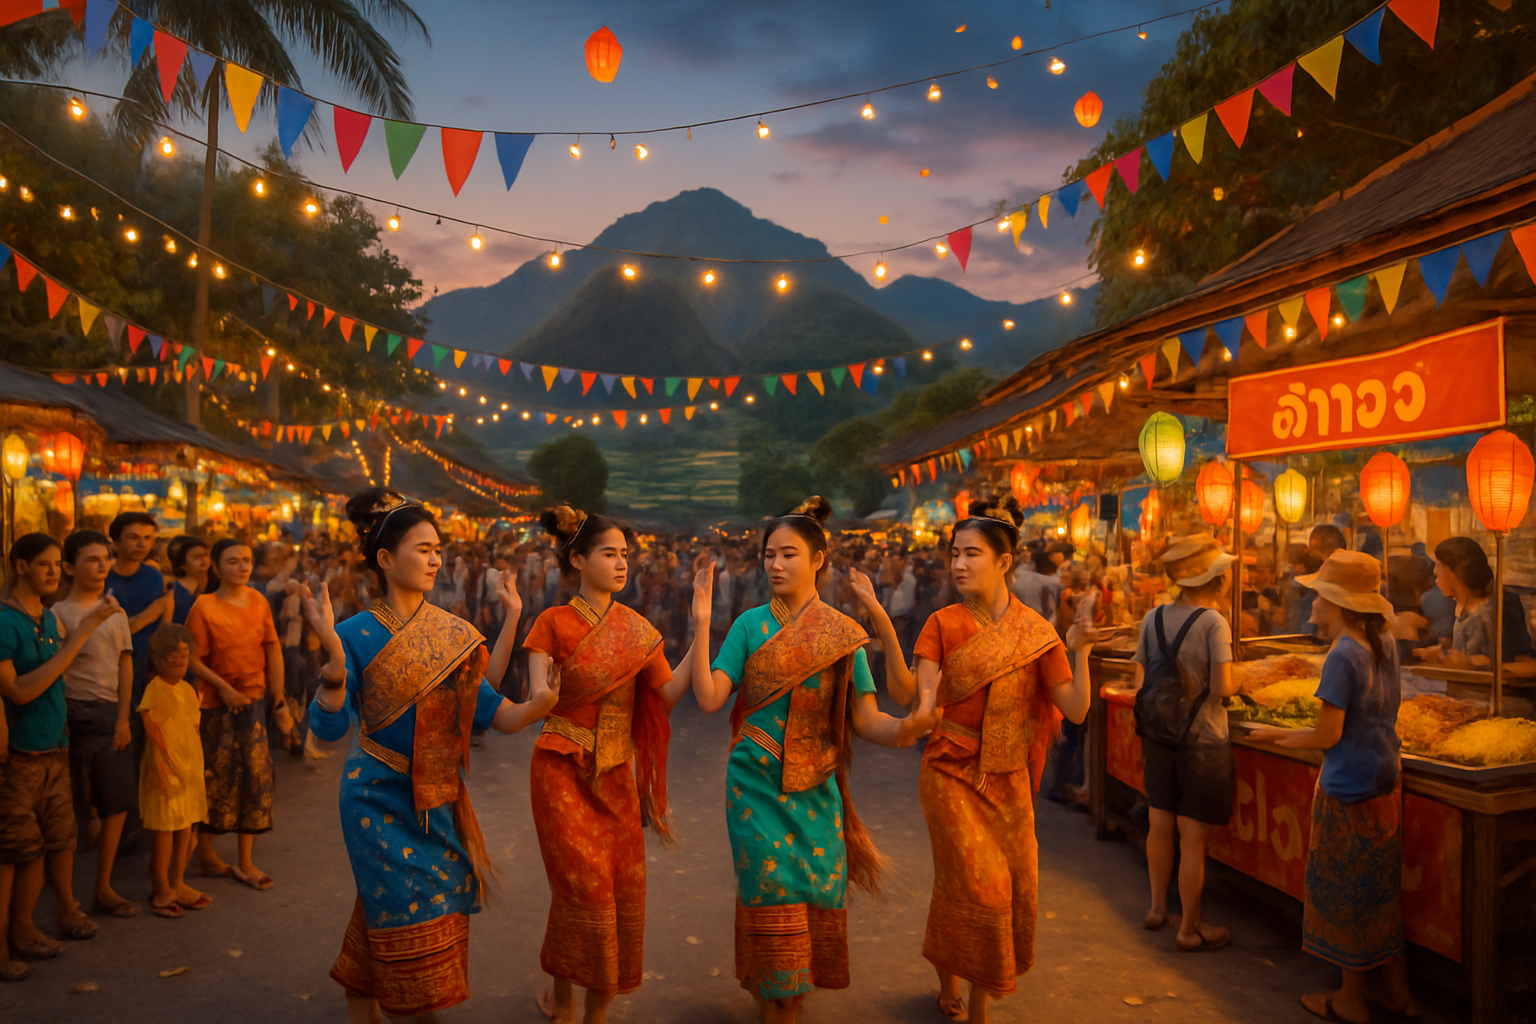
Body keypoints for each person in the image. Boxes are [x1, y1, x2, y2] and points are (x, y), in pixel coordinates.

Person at [686, 496, 939, 1024]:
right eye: (768, 555)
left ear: (818, 558)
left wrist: (909, 726)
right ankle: (778, 999)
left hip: (818, 791)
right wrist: (703, 621)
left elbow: (868, 722)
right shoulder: (748, 627)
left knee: (806, 906)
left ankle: (779, 996)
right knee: (772, 897)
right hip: (753, 790)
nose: (776, 565)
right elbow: (710, 699)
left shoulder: (843, 637)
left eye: (789, 555)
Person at [303, 490, 551, 1023]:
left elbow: (496, 715)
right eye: (423, 548)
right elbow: (325, 728)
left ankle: (362, 1001)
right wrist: (332, 665)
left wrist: (540, 704)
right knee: (405, 909)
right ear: (386, 559)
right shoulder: (351, 635)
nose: (436, 559)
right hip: (374, 800)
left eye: (439, 549)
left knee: (402, 907)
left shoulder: (454, 634)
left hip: (438, 800)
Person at [871, 499, 1091, 1023]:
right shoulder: (942, 624)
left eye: (972, 554)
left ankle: (953, 980)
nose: (960, 565)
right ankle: (978, 1009)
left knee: (985, 885)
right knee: (983, 885)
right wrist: (882, 625)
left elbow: (1076, 709)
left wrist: (1079, 649)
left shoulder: (1038, 634)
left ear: (1005, 561)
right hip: (948, 771)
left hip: (1009, 779)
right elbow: (918, 698)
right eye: (955, 555)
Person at [524, 507, 702, 1024]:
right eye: (609, 553)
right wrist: (544, 696)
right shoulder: (551, 623)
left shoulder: (638, 630)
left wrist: (702, 627)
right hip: (560, 769)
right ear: (577, 559)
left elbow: (667, 693)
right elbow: (538, 694)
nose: (622, 563)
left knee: (621, 890)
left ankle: (594, 1010)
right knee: (582, 887)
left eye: (625, 554)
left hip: (617, 776)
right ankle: (563, 1000)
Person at [1249, 552, 1419, 1024]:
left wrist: (1273, 735)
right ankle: (1400, 995)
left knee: (1344, 894)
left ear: (1338, 603)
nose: (1313, 607)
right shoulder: (1383, 640)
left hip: (1347, 787)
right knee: (1380, 892)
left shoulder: (1343, 654)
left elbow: (1327, 736)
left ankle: (1349, 999)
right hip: (1387, 778)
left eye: (1319, 598)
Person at [0, 534, 121, 975]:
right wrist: (84, 631)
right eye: (45, 565)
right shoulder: (7, 622)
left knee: (55, 841)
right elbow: (19, 689)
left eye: (56, 564)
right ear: (20, 566)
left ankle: (26, 928)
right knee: (15, 851)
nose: (53, 572)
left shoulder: (47, 621)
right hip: (20, 753)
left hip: (56, 745)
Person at [1132, 534, 1239, 951]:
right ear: (1216, 580)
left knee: (1160, 825)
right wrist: (1246, 677)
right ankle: (1189, 927)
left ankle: (1158, 908)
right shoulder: (1214, 622)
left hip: (1159, 738)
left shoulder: (1153, 617)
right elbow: (1223, 686)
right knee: (1192, 837)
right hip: (1204, 742)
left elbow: (1141, 681)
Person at [186, 539, 286, 890]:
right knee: (217, 778)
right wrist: (224, 688)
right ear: (216, 567)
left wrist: (280, 699)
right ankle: (207, 853)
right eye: (233, 561)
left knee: (256, 779)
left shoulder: (258, 601)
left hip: (254, 702)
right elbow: (192, 658)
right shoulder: (204, 606)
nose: (242, 567)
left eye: (246, 560)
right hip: (216, 705)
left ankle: (245, 861)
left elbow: (272, 650)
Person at [53, 531, 138, 921]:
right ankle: (67, 899)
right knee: (70, 807)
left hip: (109, 713)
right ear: (68, 568)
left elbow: (125, 665)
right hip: (70, 712)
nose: (102, 566)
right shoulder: (58, 615)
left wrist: (123, 718)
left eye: (105, 558)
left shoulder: (115, 612)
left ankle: (103, 886)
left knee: (115, 801)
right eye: (91, 559)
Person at [137, 624, 210, 919]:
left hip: (189, 773)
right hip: (164, 772)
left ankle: (178, 882)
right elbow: (151, 730)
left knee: (185, 830)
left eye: (184, 654)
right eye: (173, 655)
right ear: (158, 658)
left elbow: (193, 729)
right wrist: (162, 767)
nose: (180, 660)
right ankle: (160, 887)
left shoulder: (189, 690)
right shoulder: (155, 689)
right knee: (164, 834)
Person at [103, 512, 167, 704]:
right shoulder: (102, 577)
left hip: (145, 665)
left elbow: (162, 625)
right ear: (115, 541)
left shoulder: (154, 577)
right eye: (133, 538)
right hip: (109, 665)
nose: (142, 545)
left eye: (147, 538)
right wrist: (146, 616)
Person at [1012, 548, 1061, 625]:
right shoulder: (1049, 582)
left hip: (1018, 618)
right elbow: (1050, 612)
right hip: (1037, 621)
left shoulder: (1018, 573)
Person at [167, 536, 209, 627]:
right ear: (182, 564)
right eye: (196, 557)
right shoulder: (173, 591)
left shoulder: (209, 586)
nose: (204, 561)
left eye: (205, 555)